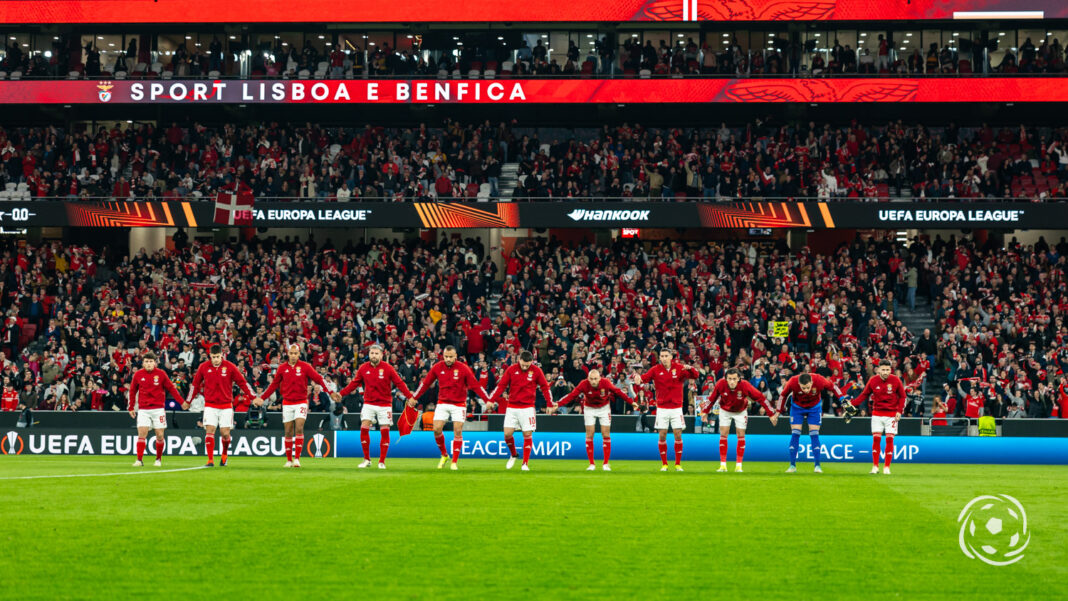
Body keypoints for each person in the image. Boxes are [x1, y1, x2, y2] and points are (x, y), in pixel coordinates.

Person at [334, 344, 417, 470]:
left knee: (384, 430)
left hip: (385, 405)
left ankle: (382, 461)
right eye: (372, 353)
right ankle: (367, 459)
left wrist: (410, 396)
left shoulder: (388, 368)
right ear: (369, 354)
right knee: (364, 427)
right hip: (369, 403)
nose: (373, 355)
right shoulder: (363, 368)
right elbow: (353, 384)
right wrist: (341, 393)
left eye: (376, 353)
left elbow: (399, 383)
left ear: (381, 355)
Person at [411, 345, 491, 470]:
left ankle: (454, 462)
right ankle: (444, 455)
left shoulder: (463, 368)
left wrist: (487, 400)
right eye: (446, 356)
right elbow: (425, 383)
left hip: (459, 404)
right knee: (436, 429)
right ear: (443, 356)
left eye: (451, 357)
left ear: (455, 357)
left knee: (457, 430)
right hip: (442, 402)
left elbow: (476, 385)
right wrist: (414, 397)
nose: (448, 359)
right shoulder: (437, 367)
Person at [257, 344, 328, 468]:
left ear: (299, 354)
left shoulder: (306, 367)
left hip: (301, 402)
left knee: (299, 427)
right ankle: (289, 460)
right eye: (291, 353)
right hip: (287, 403)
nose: (293, 355)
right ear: (288, 354)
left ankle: (297, 459)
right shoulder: (282, 368)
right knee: (288, 431)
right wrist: (262, 398)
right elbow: (274, 385)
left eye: (296, 353)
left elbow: (318, 379)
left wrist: (330, 392)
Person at [183, 344, 255, 467]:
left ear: (222, 355)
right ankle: (210, 460)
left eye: (218, 357)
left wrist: (253, 397)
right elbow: (195, 385)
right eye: (213, 357)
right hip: (210, 405)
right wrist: (188, 401)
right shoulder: (204, 367)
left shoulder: (230, 367)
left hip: (226, 405)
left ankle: (224, 455)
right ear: (210, 356)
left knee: (225, 433)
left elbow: (242, 383)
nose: (216, 359)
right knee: (209, 431)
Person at [632, 349, 702, 472]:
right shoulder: (655, 369)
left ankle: (678, 464)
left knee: (678, 435)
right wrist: (636, 377)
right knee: (662, 435)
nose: (664, 358)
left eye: (666, 356)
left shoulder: (680, 368)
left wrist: (690, 368)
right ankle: (664, 464)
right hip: (662, 408)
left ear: (671, 357)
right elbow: (642, 379)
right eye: (662, 356)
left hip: (676, 408)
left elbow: (696, 376)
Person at [555, 368, 636, 471]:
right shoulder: (583, 384)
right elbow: (571, 395)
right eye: (591, 379)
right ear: (588, 378)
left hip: (604, 407)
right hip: (589, 408)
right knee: (589, 434)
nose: (593, 381)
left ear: (599, 378)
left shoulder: (606, 382)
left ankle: (606, 464)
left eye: (595, 379)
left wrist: (630, 401)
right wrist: (558, 404)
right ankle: (591, 464)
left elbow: (618, 391)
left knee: (605, 434)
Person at [707, 367, 780, 473]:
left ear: (739, 379)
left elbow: (760, 397)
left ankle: (739, 466)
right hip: (725, 410)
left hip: (740, 411)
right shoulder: (720, 384)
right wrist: (705, 411)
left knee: (741, 434)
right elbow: (712, 398)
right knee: (723, 433)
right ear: (726, 379)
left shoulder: (745, 385)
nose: (732, 381)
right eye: (729, 379)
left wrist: (770, 414)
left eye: (734, 379)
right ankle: (723, 465)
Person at [489, 350, 552, 471]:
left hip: (528, 407)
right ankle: (513, 454)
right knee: (507, 434)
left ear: (531, 362)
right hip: (512, 406)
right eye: (523, 364)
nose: (524, 367)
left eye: (527, 365)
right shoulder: (511, 369)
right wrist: (491, 399)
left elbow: (545, 387)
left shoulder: (536, 371)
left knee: (527, 434)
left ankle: (525, 464)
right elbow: (501, 385)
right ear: (519, 360)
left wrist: (549, 403)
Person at [845, 359, 906, 475]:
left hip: (891, 415)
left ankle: (887, 467)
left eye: (888, 370)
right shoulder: (873, 380)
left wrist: (899, 411)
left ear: (890, 370)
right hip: (877, 414)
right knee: (876, 439)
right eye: (883, 370)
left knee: (889, 439)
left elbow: (903, 396)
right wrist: (852, 404)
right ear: (878, 370)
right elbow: (864, 395)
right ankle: (875, 466)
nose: (886, 372)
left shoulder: (895, 380)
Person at [128, 352, 184, 467]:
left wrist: (181, 402)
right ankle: (139, 460)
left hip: (158, 409)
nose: (149, 364)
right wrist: (131, 407)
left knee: (159, 435)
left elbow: (172, 389)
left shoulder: (161, 374)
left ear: (155, 363)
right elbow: (132, 391)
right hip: (143, 409)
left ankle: (158, 459)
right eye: (146, 361)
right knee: (142, 434)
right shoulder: (138, 375)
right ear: (143, 363)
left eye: (151, 361)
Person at [777, 372, 841, 473]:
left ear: (812, 382)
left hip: (814, 408)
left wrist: (842, 398)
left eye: (808, 387)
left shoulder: (819, 379)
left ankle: (817, 466)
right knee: (795, 433)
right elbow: (782, 395)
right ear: (799, 384)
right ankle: (792, 466)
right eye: (803, 388)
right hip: (797, 408)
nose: (806, 390)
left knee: (814, 434)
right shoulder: (793, 381)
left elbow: (833, 387)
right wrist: (777, 412)